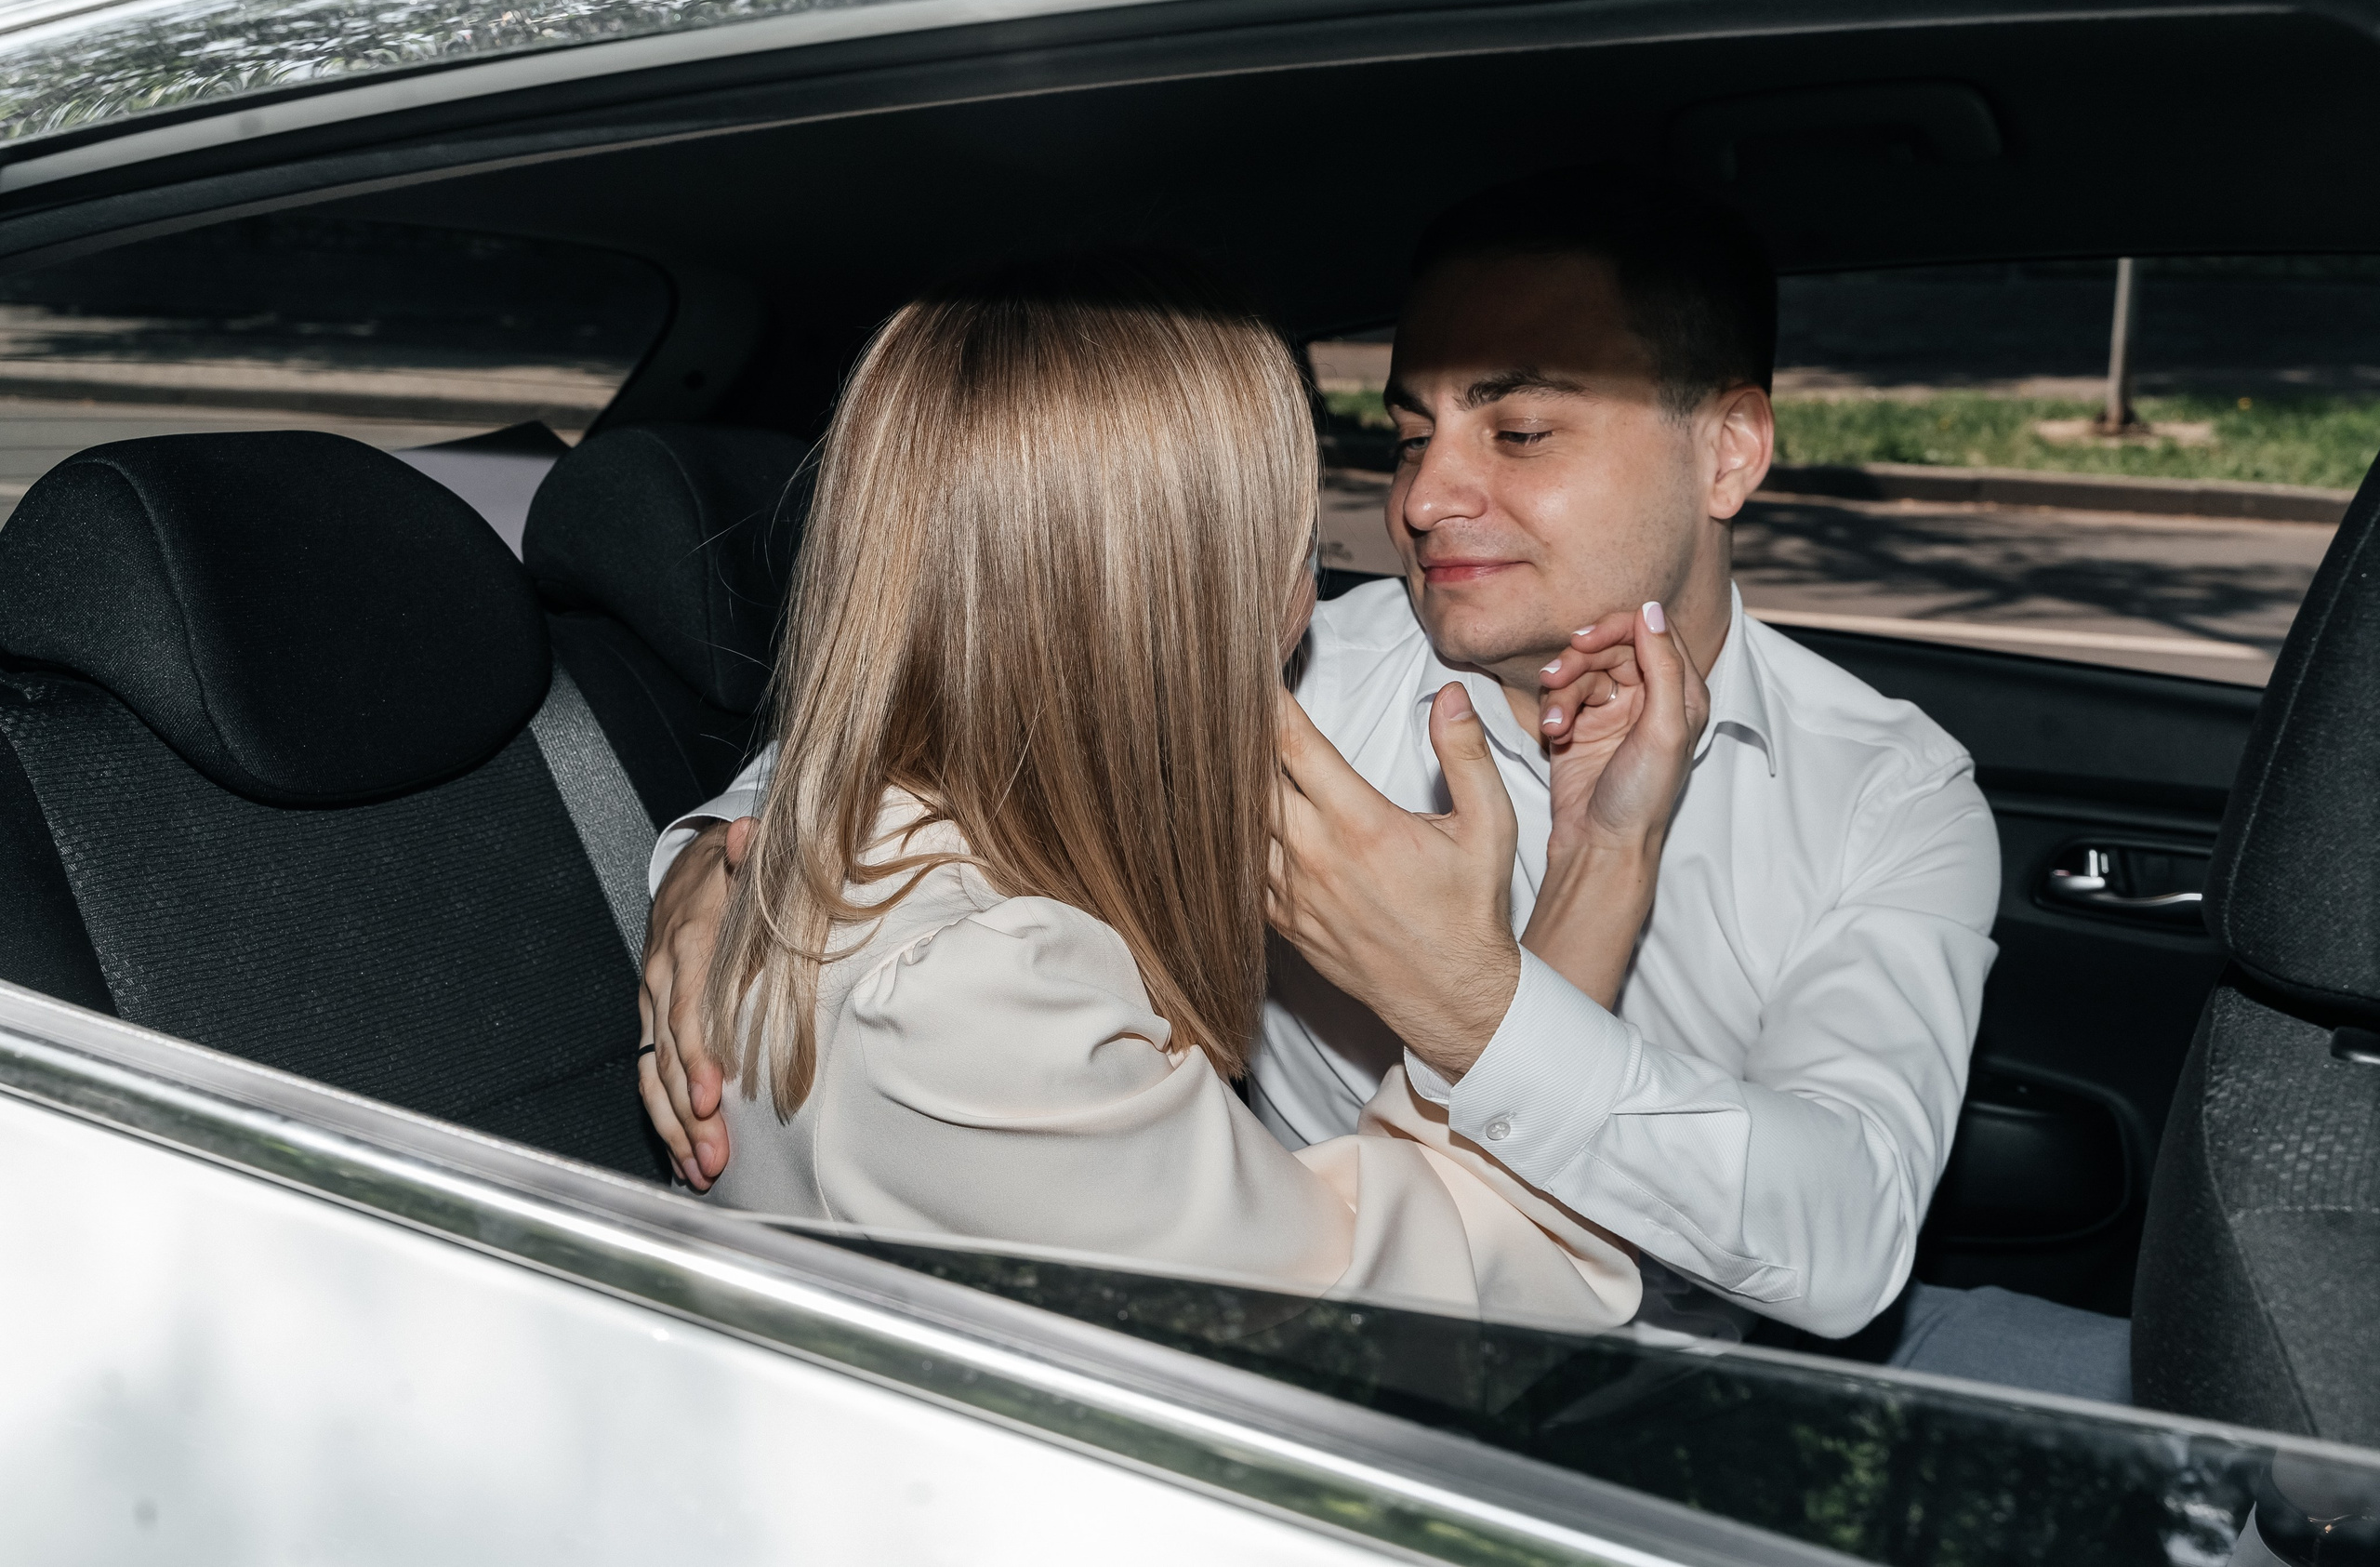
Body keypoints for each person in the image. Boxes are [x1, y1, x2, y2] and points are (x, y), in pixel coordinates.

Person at [642, 168, 2133, 1401]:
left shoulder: (1887, 786)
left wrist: (1482, 1007)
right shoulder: (1266, 673)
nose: (1422, 499)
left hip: (1726, 1357)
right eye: (1409, 433)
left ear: (1728, 447)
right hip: (1323, 1348)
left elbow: (1848, 1234)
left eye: (1521, 428)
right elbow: (956, 717)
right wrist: (719, 857)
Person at [657, 249, 1686, 1332]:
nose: (1312, 602)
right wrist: (1587, 882)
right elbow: (1420, 1327)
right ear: (1173, 600)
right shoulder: (971, 1007)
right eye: (1297, 550)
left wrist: (695, 851)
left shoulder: (873, 855)